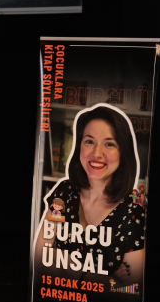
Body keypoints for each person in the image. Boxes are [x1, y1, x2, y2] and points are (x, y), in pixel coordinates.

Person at [34, 105, 145, 287]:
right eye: (89, 141)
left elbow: (132, 284)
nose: (96, 154)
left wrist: (65, 261)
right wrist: (103, 278)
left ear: (123, 152)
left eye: (109, 144)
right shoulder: (64, 192)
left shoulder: (135, 207)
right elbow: (40, 260)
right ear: (79, 146)